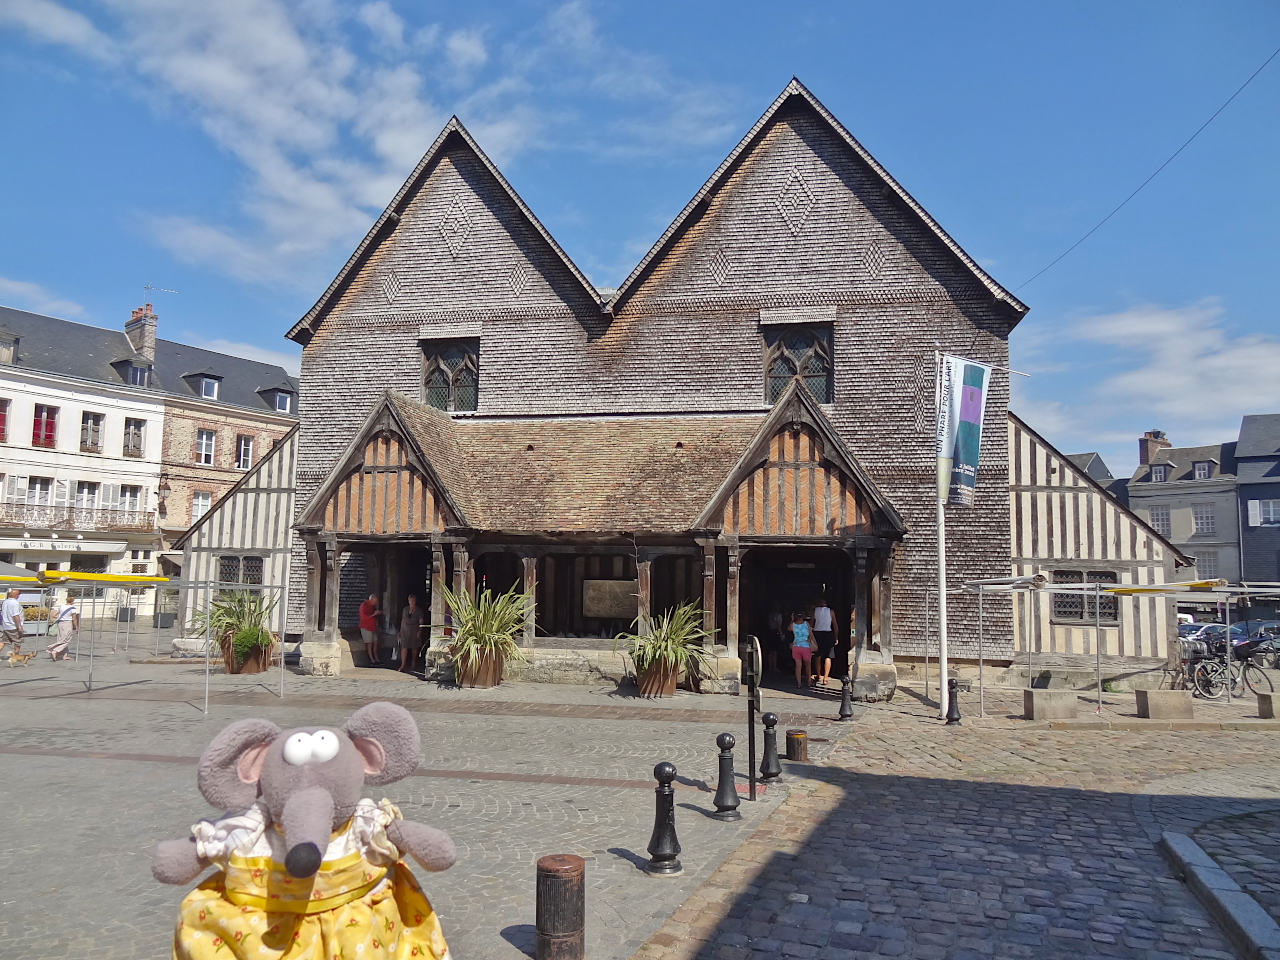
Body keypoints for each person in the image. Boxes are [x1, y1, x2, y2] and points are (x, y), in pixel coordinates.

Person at [812, 596, 838, 687]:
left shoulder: (815, 610)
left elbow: (812, 623)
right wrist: (836, 637)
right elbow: (835, 625)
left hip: (817, 633)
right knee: (828, 656)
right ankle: (825, 678)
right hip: (828, 633)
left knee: (817, 655)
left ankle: (818, 675)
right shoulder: (831, 611)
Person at [398, 593, 426, 673]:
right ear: (408, 601)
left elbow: (421, 621)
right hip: (405, 630)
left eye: (413, 600)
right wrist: (400, 631)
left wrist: (420, 631)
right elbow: (403, 620)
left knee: (414, 647)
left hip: (414, 630)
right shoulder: (405, 609)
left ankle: (413, 663)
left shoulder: (419, 610)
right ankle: (402, 665)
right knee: (404, 647)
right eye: (410, 600)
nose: (412, 602)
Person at [48, 593, 78, 661]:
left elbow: (54, 615)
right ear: (72, 601)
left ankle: (64, 655)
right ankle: (54, 650)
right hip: (67, 624)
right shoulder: (73, 608)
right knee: (67, 640)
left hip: (60, 623)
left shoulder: (61, 606)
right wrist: (76, 627)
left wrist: (59, 617)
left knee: (61, 639)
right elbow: (74, 619)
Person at [790, 610, 813, 687]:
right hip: (805, 646)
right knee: (808, 665)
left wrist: (792, 619)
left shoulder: (793, 625)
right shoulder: (806, 624)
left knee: (798, 665)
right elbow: (810, 634)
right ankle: (809, 682)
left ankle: (799, 683)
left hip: (796, 646)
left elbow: (788, 629)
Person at [358, 593, 381, 665]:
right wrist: (374, 614)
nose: (376, 603)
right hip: (366, 627)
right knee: (369, 643)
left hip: (373, 627)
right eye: (375, 601)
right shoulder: (364, 605)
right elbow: (364, 617)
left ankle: (376, 658)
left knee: (375, 642)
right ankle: (372, 660)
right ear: (371, 599)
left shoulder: (373, 606)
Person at [1, 588, 24, 655]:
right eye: (18, 594)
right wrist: (19, 626)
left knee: (3, 642)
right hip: (13, 626)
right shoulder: (15, 603)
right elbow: (15, 615)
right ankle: (16, 657)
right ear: (16, 595)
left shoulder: (5, 601)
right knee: (17, 642)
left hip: (6, 626)